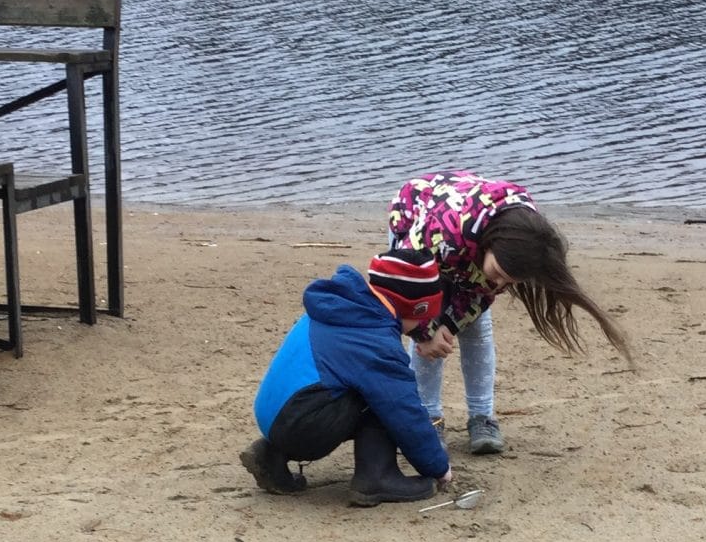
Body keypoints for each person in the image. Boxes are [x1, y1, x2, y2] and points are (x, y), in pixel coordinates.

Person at [387, 170, 632, 454]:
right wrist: (425, 332)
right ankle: (427, 418)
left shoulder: (527, 238)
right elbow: (404, 283)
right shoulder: (441, 233)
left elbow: (483, 293)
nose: (500, 284)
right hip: (417, 221)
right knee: (429, 342)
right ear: (490, 245)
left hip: (468, 241)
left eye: (510, 282)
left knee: (477, 330)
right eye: (499, 273)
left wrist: (451, 325)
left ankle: (482, 416)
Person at [243, 251, 456, 507]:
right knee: (385, 396)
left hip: (274, 414)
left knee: (348, 383)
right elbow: (403, 408)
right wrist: (438, 467)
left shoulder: (342, 305)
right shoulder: (374, 341)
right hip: (301, 423)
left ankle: (272, 456)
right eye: (425, 316)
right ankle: (376, 478)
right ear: (416, 308)